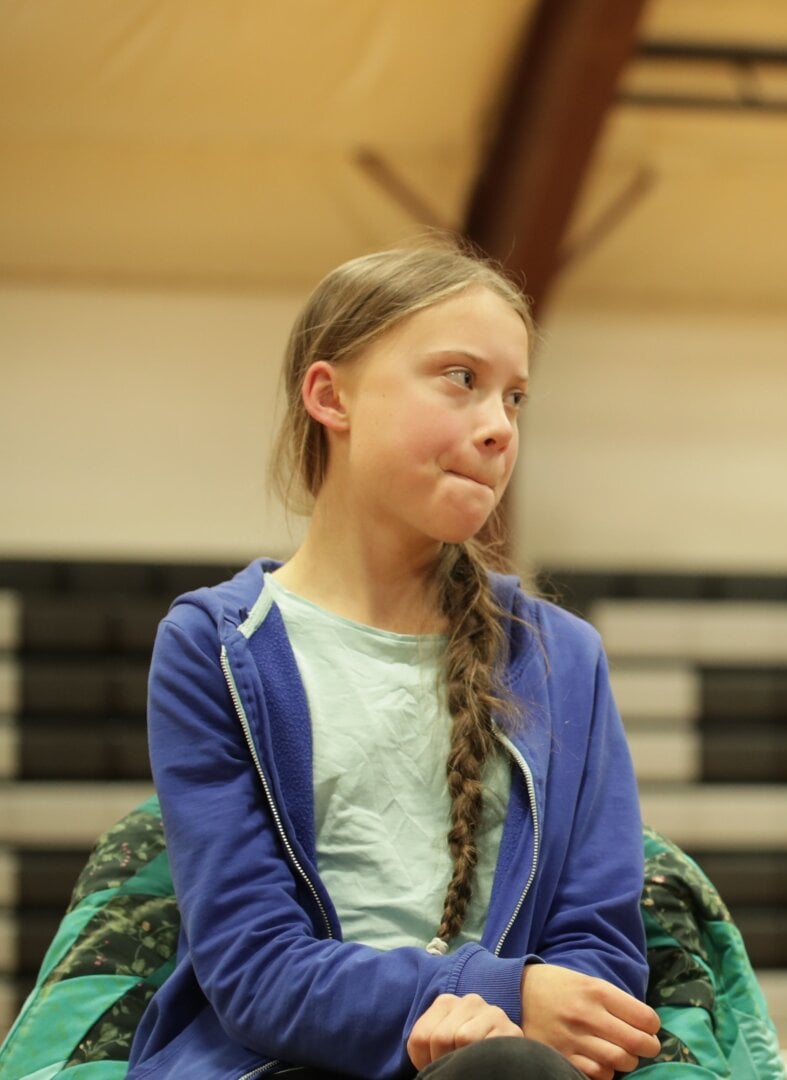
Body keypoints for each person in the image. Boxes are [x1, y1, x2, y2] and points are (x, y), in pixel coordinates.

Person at [129, 244, 661, 1079]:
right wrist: (493, 991)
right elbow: (254, 969)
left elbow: (598, 945)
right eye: (459, 377)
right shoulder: (214, 647)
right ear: (329, 396)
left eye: (514, 397)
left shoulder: (565, 658)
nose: (498, 426)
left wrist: (503, 1031)